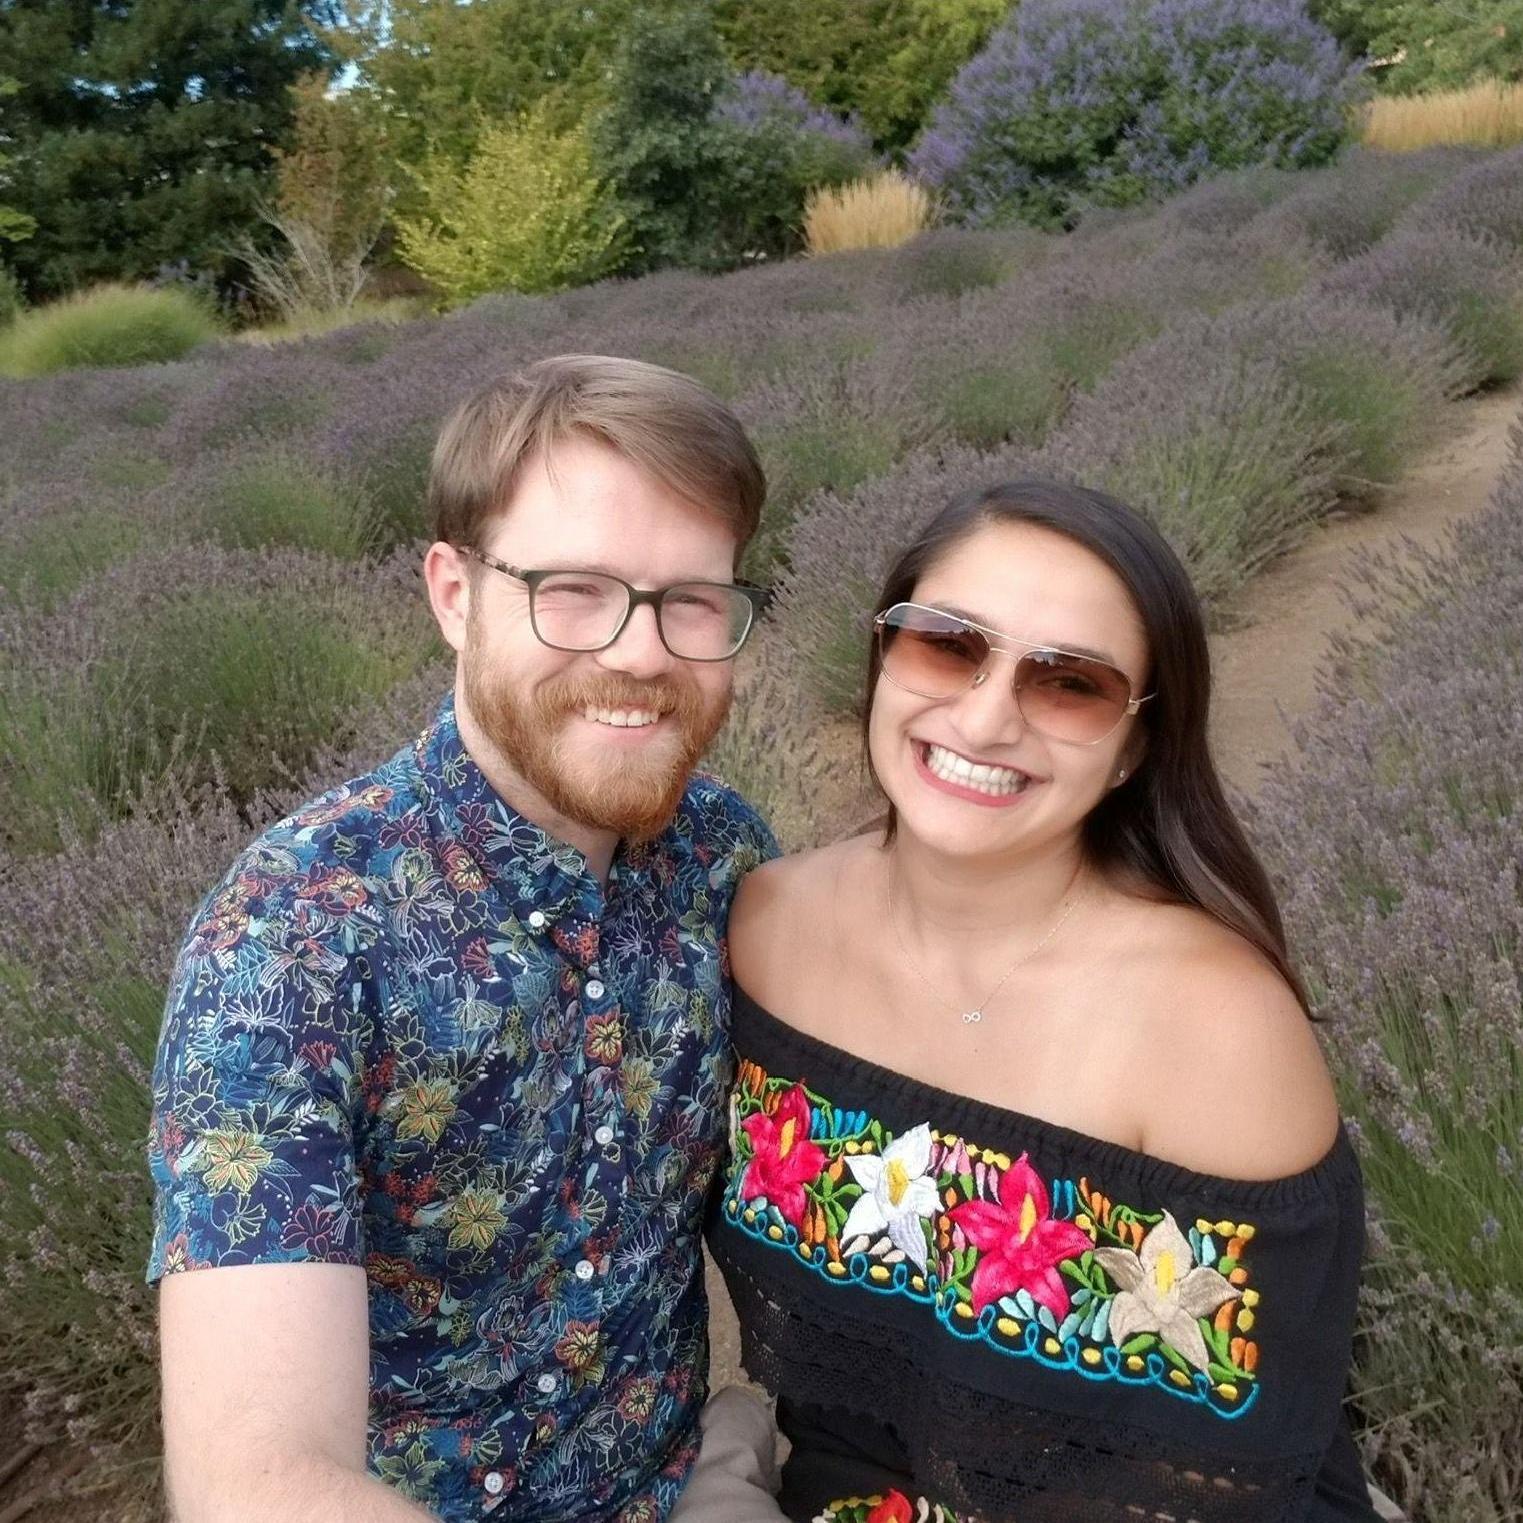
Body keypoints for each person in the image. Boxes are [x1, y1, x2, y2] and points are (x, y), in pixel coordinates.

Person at [145, 354, 780, 1522]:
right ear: (453, 592)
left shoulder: (726, 857)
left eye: (690, 599)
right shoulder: (296, 931)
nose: (640, 653)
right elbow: (257, 1479)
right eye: (573, 589)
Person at [690, 478, 1382, 1522]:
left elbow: (1222, 1482)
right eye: (944, 643)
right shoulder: (767, 929)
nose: (983, 713)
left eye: (1070, 683)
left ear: (1133, 747)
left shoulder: (1211, 1028)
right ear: (882, 655)